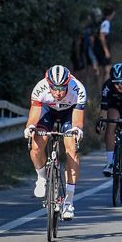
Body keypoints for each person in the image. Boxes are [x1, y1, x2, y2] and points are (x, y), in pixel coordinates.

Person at [24, 66, 86, 220]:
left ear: (68, 83)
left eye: (62, 88)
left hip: (69, 113)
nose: (58, 92)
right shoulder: (40, 88)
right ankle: (42, 177)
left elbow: (77, 120)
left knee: (72, 150)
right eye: (54, 88)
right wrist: (30, 127)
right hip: (48, 111)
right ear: (48, 84)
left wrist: (77, 130)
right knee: (37, 145)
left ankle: (69, 202)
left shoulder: (78, 89)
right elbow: (34, 115)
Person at [98, 63, 122, 177]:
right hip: (115, 105)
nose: (119, 85)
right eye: (116, 83)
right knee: (111, 122)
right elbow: (103, 110)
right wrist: (101, 122)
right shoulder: (107, 86)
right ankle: (110, 163)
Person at [93, 5, 115, 82]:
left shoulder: (100, 21)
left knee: (101, 71)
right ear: (111, 14)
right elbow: (102, 36)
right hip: (102, 50)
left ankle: (100, 91)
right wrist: (106, 51)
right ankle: (105, 90)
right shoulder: (106, 22)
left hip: (97, 49)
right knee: (108, 71)